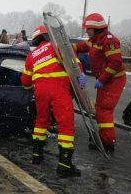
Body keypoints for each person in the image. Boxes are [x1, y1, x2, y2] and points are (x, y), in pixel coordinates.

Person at [21, 26, 86, 178]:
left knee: (42, 120)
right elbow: (74, 64)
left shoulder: (32, 55)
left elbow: (25, 81)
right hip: (59, 88)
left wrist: (34, 85)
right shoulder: (57, 45)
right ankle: (64, 164)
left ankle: (37, 155)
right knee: (66, 125)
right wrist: (80, 75)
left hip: (41, 91)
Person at [72, 13, 126, 153]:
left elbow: (116, 62)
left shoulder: (108, 41)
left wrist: (102, 79)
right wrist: (68, 48)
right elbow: (80, 47)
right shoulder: (94, 40)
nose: (86, 31)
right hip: (105, 79)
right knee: (100, 109)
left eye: (88, 29)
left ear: (95, 28)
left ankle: (108, 143)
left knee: (104, 110)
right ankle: (103, 138)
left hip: (114, 80)